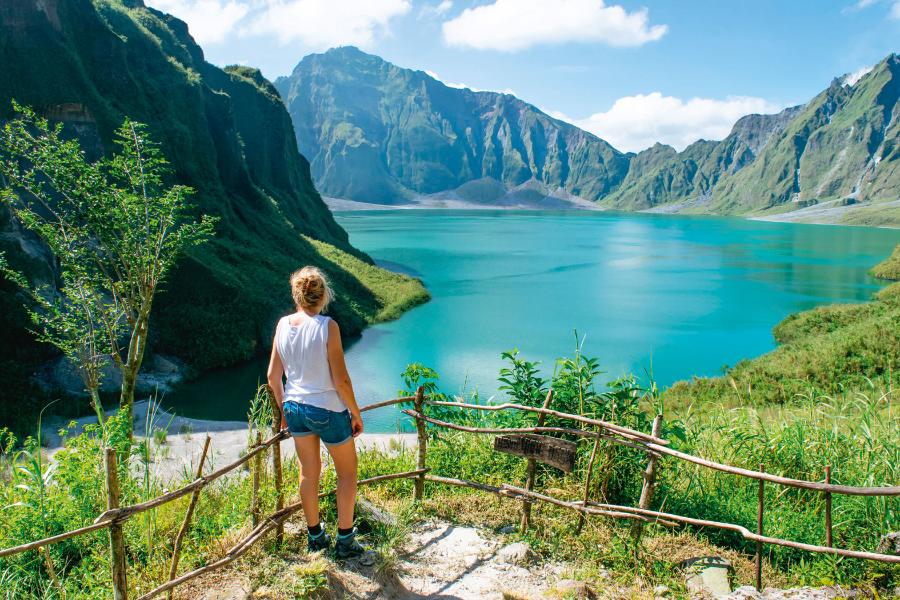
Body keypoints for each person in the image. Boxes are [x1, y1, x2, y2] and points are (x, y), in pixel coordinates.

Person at [267, 266, 366, 559]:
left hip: (295, 407)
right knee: (347, 473)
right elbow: (341, 380)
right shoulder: (327, 326)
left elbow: (273, 376)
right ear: (322, 295)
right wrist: (356, 413)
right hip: (328, 409)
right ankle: (345, 541)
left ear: (297, 294)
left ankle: (315, 537)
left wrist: (284, 409)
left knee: (308, 473)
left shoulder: (283, 325)